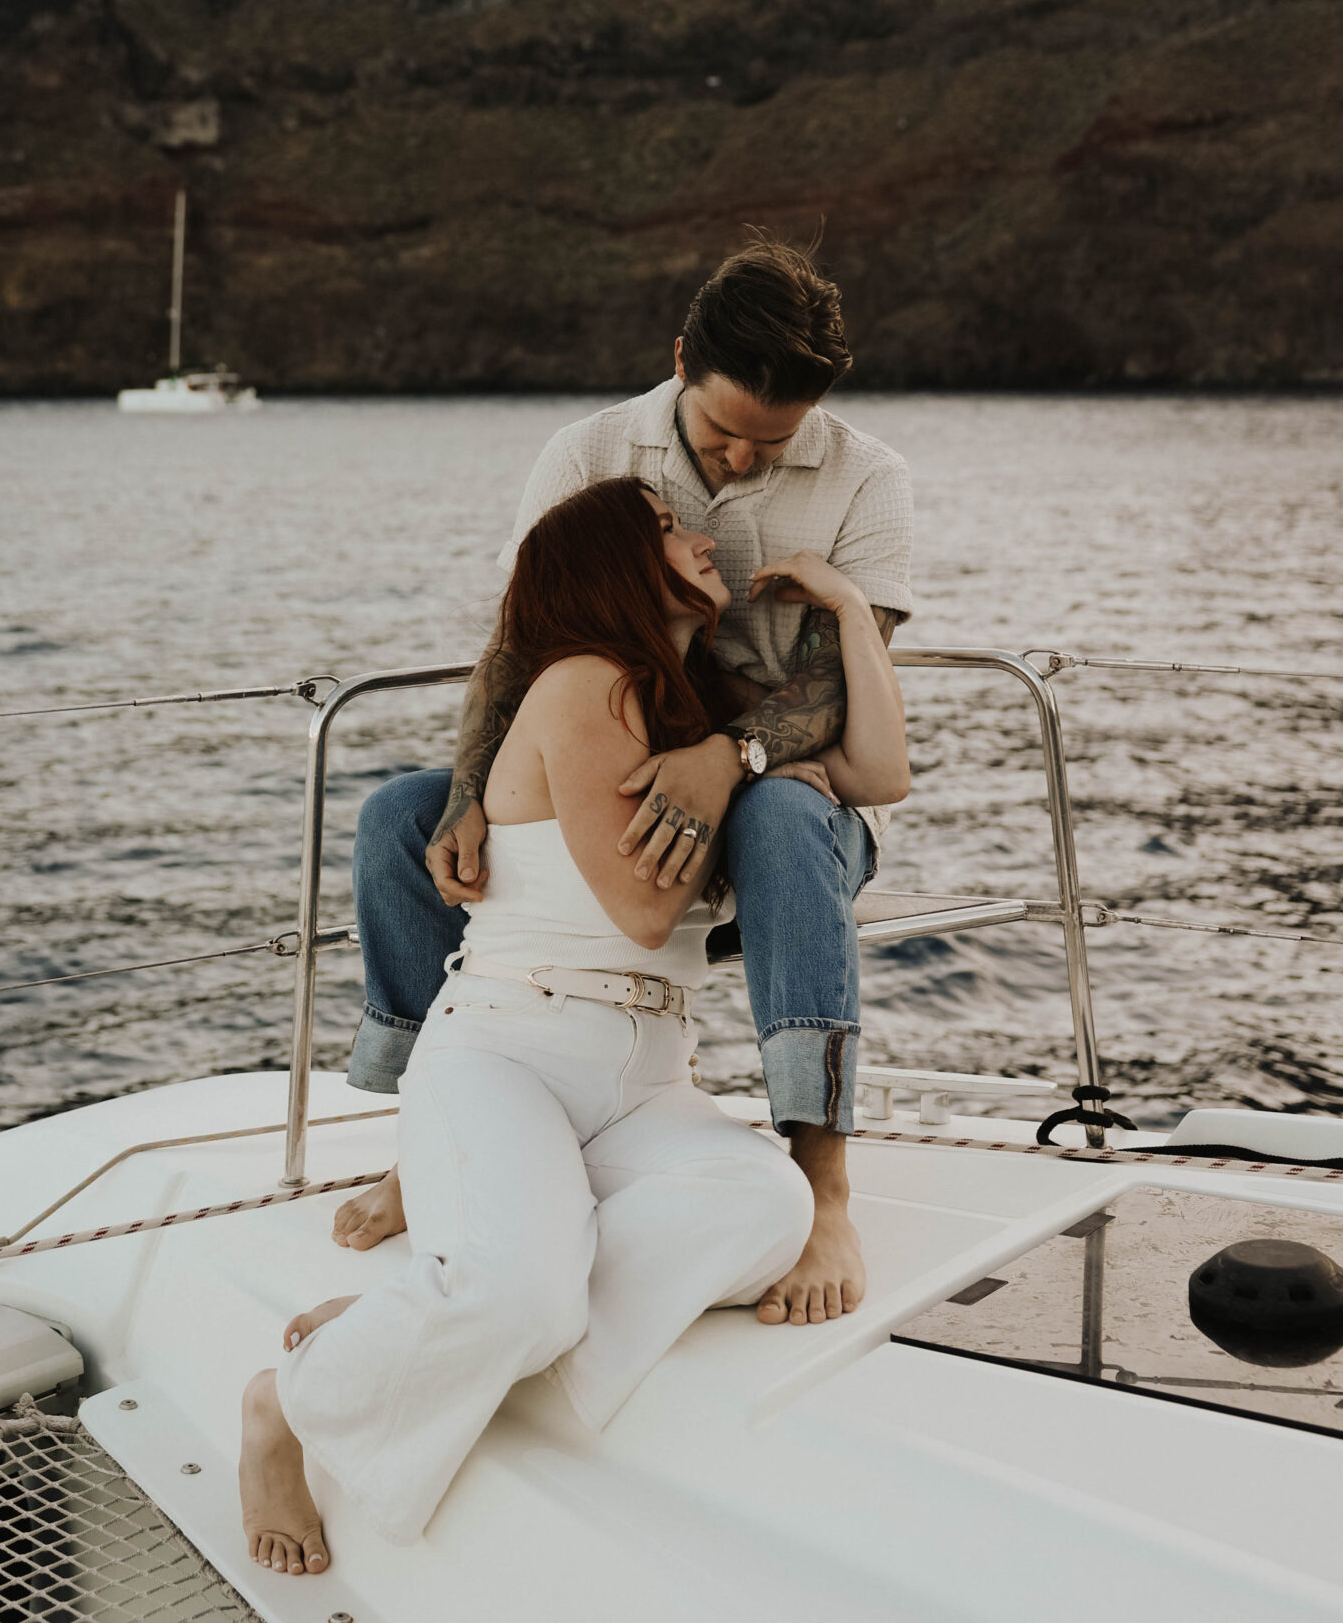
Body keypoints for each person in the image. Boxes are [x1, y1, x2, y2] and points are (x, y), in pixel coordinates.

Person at [239, 477, 909, 1574]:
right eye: (667, 531)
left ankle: (411, 1326)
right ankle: (289, 1407)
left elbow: (883, 772)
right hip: (511, 1047)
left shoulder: (695, 708)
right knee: (525, 1289)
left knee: (770, 1205)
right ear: (614, 570)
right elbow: (645, 913)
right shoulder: (586, 687)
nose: (705, 540)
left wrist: (836, 604)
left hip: (645, 1076)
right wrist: (735, 756)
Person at [337, 235, 913, 1325]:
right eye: (720, 434)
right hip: (626, 760)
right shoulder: (589, 450)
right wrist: (468, 792)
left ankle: (823, 1175)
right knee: (395, 816)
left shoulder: (870, 481)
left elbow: (843, 690)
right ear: (682, 358)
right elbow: (519, 643)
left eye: (771, 444)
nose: (740, 465)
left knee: (789, 815)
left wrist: (726, 754)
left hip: (781, 788)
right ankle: (429, 1138)